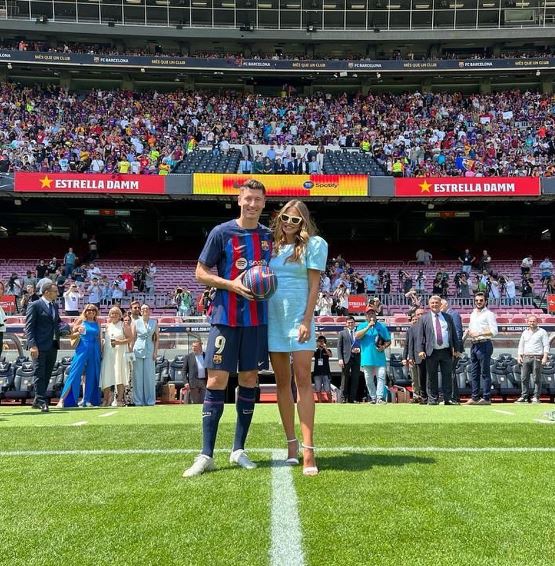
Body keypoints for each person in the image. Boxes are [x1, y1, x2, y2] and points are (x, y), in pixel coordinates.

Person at [183, 179, 272, 478]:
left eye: (258, 199)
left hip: (257, 319)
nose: (252, 204)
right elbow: (200, 272)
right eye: (247, 198)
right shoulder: (221, 233)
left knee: (249, 378)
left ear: (263, 203)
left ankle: (238, 450)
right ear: (239, 200)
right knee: (216, 380)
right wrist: (230, 284)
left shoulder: (269, 237)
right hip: (225, 317)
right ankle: (206, 453)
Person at [268, 200, 328, 476]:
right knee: (281, 384)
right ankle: (290, 444)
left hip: (299, 320)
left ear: (304, 223)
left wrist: (306, 320)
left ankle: (308, 450)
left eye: (295, 220)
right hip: (273, 319)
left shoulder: (315, 244)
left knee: (303, 382)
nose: (289, 224)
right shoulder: (273, 247)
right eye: (285, 218)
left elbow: (314, 286)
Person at [24, 282, 66, 412]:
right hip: (39, 345)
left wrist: (67, 327)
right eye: (55, 291)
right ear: (47, 292)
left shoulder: (54, 305)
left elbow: (57, 322)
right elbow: (29, 327)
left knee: (47, 373)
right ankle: (41, 399)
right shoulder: (34, 305)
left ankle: (38, 399)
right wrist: (32, 345)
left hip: (52, 344)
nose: (57, 294)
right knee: (39, 373)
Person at [417, 295, 460, 405]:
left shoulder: (448, 317)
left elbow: (453, 334)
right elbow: (420, 336)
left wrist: (457, 348)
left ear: (441, 304)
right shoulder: (424, 318)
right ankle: (433, 399)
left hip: (446, 351)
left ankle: (447, 399)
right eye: (432, 303)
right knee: (432, 377)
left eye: (437, 303)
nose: (435, 305)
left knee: (447, 375)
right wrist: (420, 350)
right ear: (429, 305)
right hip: (431, 351)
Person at [56, 304, 102, 408]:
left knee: (92, 374)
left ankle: (87, 400)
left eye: (93, 310)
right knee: (75, 373)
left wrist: (100, 352)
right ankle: (63, 400)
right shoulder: (80, 321)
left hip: (94, 349)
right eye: (89, 310)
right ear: (85, 311)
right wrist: (77, 330)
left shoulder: (97, 323)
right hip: (82, 348)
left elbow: (99, 338)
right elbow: (71, 333)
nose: (91, 312)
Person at [463, 292, 498, 406]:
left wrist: (479, 333)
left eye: (481, 300)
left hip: (484, 344)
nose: (478, 302)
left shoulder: (489, 314)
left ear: (485, 301)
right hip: (474, 345)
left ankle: (486, 398)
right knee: (474, 373)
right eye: (477, 300)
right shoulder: (473, 313)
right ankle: (475, 397)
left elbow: (494, 331)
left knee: (484, 373)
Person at [356, 308, 391, 404]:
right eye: (369, 314)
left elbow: (388, 340)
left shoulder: (382, 326)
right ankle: (373, 397)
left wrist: (383, 347)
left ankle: (380, 398)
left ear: (376, 315)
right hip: (367, 358)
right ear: (366, 316)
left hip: (379, 357)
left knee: (381, 376)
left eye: (372, 313)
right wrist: (368, 327)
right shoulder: (361, 325)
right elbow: (357, 336)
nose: (371, 315)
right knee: (368, 379)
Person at [100, 306, 132, 407]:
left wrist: (119, 342)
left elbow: (130, 338)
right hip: (108, 353)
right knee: (107, 376)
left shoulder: (124, 325)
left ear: (120, 315)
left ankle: (119, 400)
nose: (114, 315)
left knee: (119, 375)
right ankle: (106, 400)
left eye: (116, 313)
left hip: (120, 353)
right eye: (112, 313)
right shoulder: (107, 326)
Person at [515, 315, 549, 403]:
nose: (532, 323)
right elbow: (521, 345)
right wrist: (519, 356)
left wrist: (545, 357)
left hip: (537, 357)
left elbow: (546, 345)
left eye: (533, 321)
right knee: (524, 378)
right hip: (526, 357)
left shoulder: (542, 332)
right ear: (528, 322)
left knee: (536, 378)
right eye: (530, 321)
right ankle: (524, 396)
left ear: (537, 322)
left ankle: (536, 397)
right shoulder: (525, 332)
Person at [132, 304, 158, 406]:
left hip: (150, 350)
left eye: (147, 308)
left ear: (150, 310)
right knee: (137, 377)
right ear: (140, 311)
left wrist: (155, 351)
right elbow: (133, 338)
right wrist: (131, 351)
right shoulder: (136, 322)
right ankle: (138, 401)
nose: (145, 310)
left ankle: (150, 400)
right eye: (143, 309)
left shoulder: (154, 322)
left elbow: (156, 339)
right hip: (138, 350)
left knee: (149, 377)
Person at [441, 298, 463, 403]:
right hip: (448, 349)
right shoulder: (444, 316)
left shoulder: (453, 314)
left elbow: (458, 332)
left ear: (445, 305)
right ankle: (452, 397)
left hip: (454, 349)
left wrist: (456, 348)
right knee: (449, 372)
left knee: (451, 372)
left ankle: (453, 397)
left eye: (440, 305)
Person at [403, 307, 427, 404]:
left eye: (422, 314)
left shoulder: (429, 326)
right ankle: (417, 396)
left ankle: (426, 395)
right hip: (415, 358)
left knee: (427, 378)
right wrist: (408, 357)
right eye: (418, 315)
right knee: (415, 378)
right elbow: (408, 345)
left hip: (428, 357)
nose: (420, 317)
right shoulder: (412, 329)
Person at [337, 316, 361, 403]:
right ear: (346, 324)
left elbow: (361, 345)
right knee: (344, 379)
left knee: (355, 379)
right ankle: (343, 398)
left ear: (354, 323)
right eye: (349, 322)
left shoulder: (358, 333)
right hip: (346, 358)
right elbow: (339, 347)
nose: (350, 324)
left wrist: (359, 350)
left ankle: (352, 399)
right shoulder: (342, 333)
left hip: (356, 358)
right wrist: (340, 358)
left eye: (352, 322)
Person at [184, 339, 208, 404]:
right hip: (193, 382)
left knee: (204, 401)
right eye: (193, 346)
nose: (193, 348)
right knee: (195, 402)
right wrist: (186, 382)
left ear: (200, 347)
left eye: (195, 346)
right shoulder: (188, 357)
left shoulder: (206, 356)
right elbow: (184, 371)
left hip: (204, 382)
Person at [313, 336, 332, 403]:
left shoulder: (327, 350)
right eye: (319, 341)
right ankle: (320, 403)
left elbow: (330, 355)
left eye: (322, 341)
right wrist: (316, 346)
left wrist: (325, 348)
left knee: (327, 389)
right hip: (317, 373)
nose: (321, 342)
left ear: (325, 342)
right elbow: (311, 355)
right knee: (318, 389)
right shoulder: (316, 351)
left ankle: (330, 402)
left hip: (326, 372)